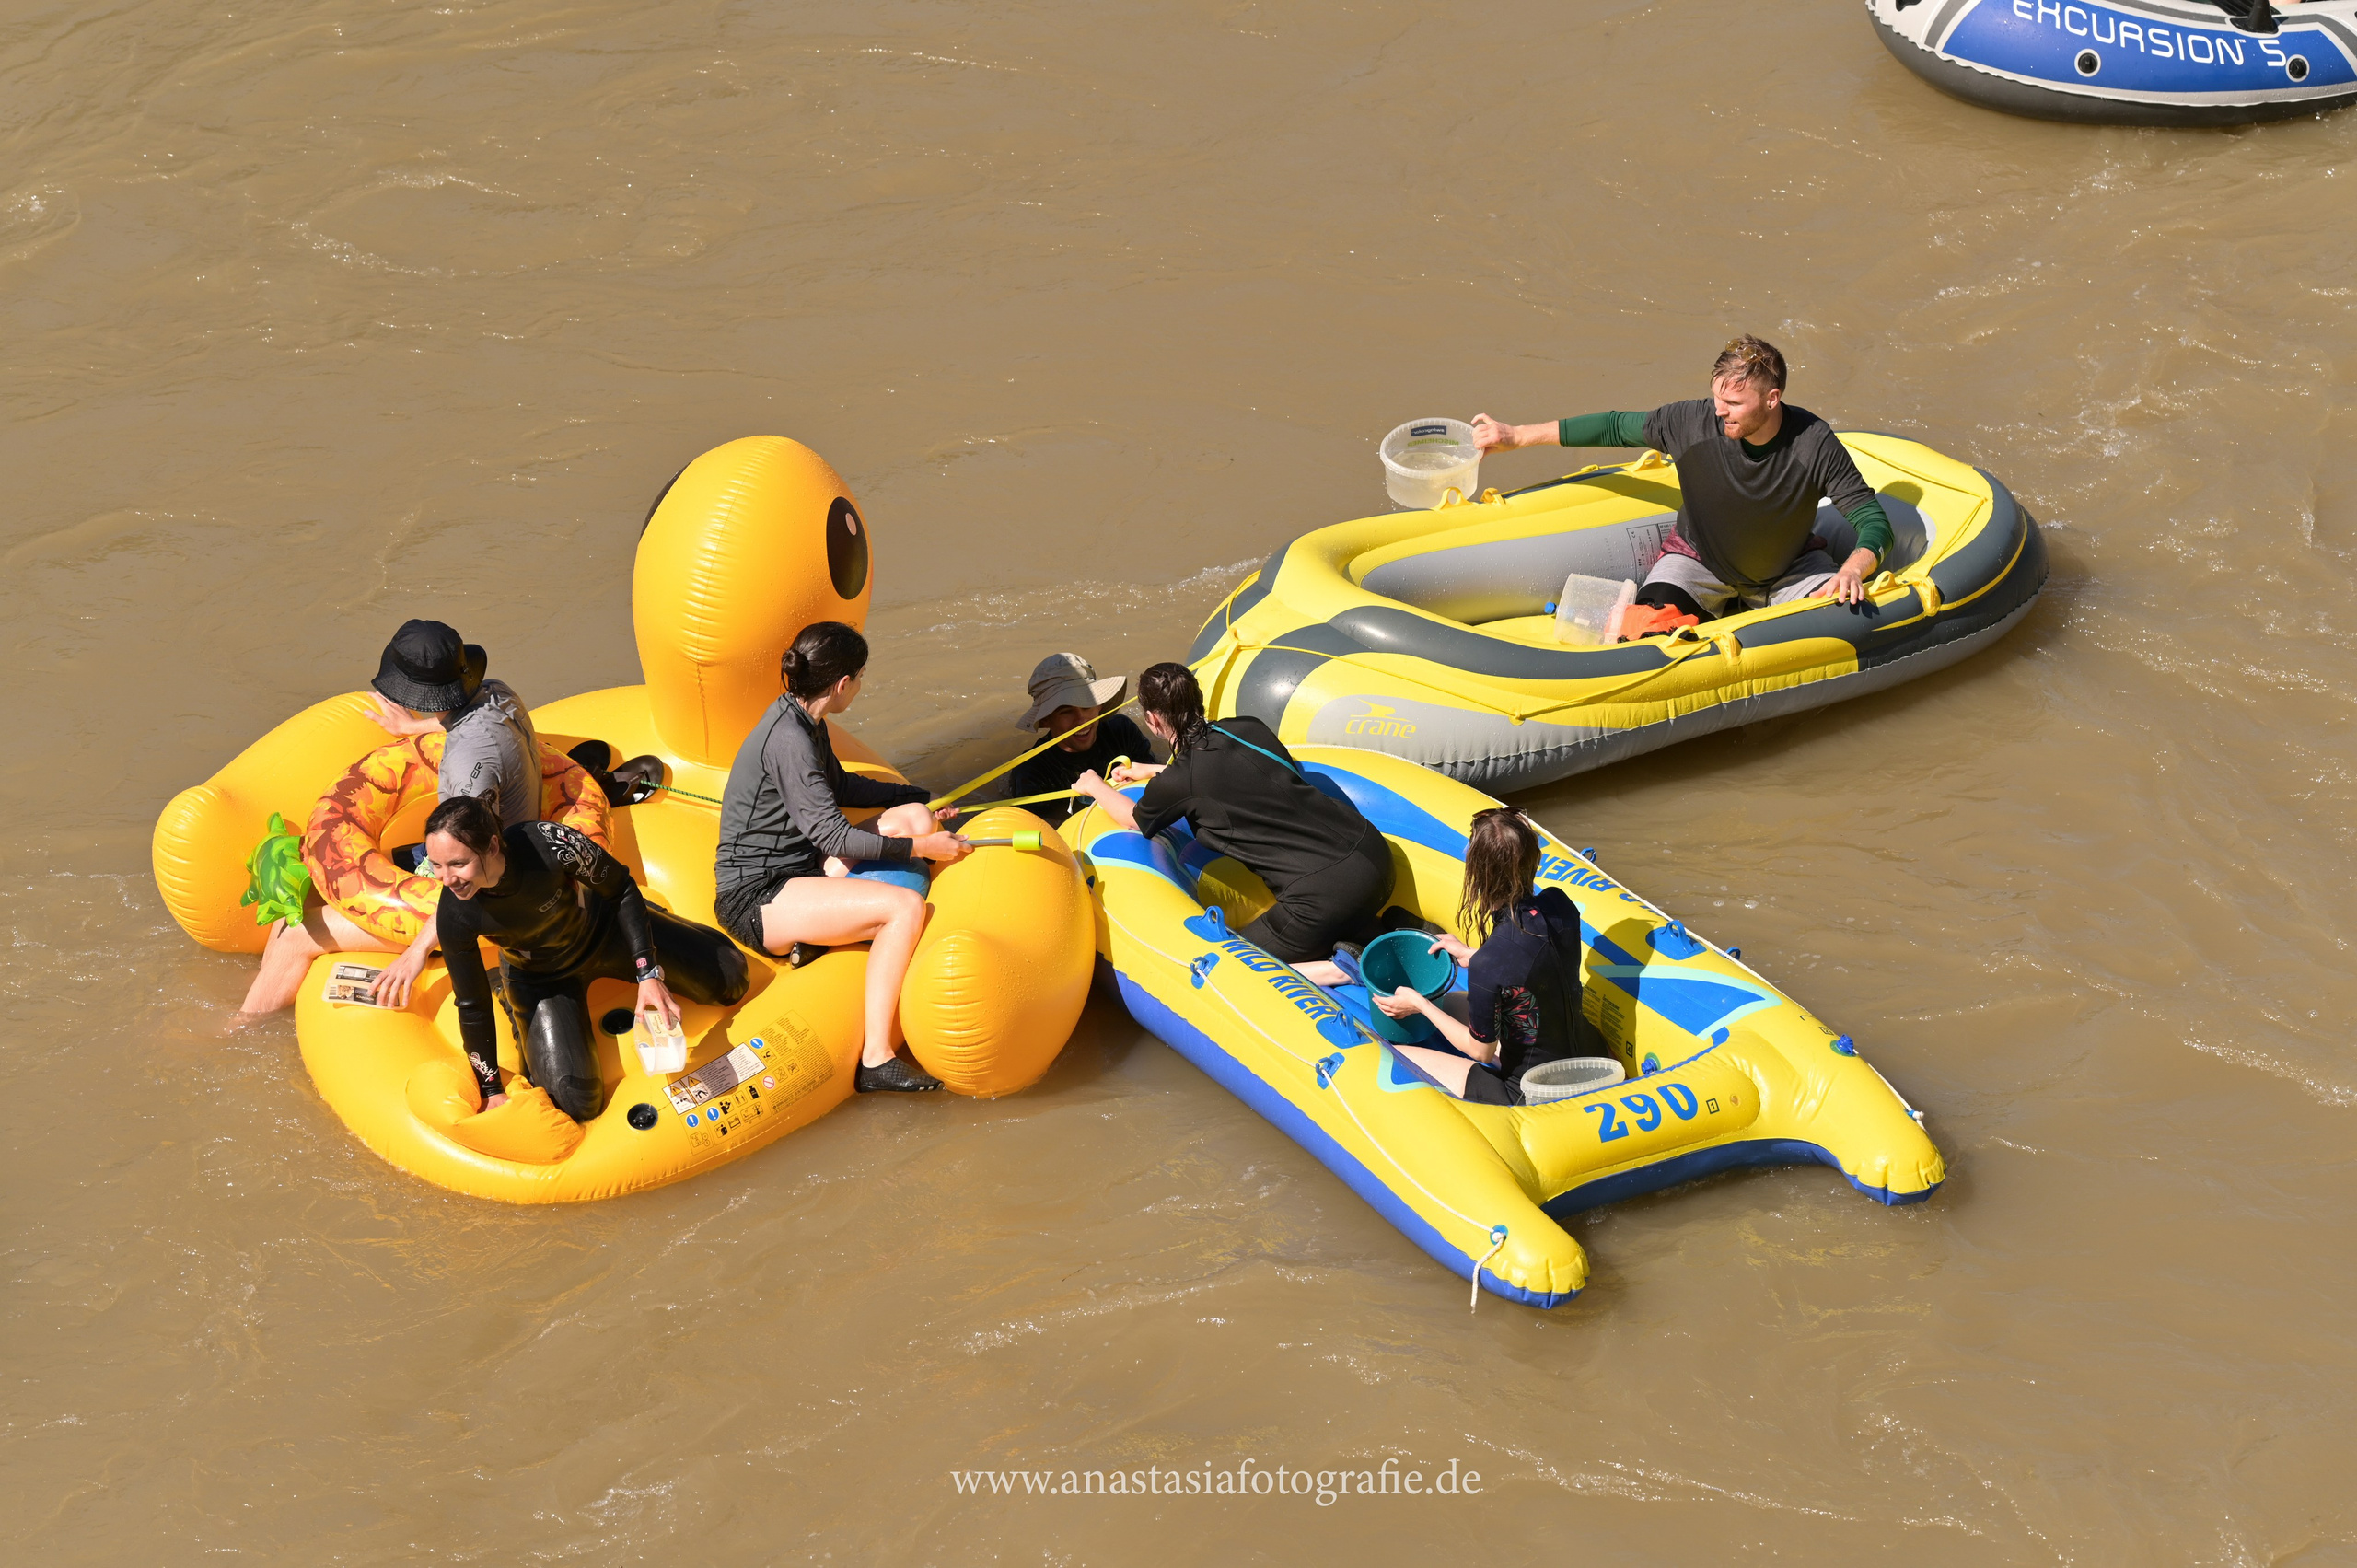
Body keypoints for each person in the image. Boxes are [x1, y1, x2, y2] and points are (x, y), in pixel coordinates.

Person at [1470, 335, 1898, 629]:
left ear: (1772, 398)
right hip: (1699, 562)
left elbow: (1873, 522)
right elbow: (1615, 427)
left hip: (1789, 570)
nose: (1719, 411)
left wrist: (1851, 570)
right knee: (1648, 626)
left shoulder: (1813, 442)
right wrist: (1517, 435)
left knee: (1842, 621)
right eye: (1716, 397)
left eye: (1733, 402)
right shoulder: (1690, 422)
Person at [712, 621, 971, 1093]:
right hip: (757, 897)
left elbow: (842, 786)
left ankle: (823, 940)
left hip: (801, 868)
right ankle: (876, 1058)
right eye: (861, 676)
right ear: (843, 684)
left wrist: (919, 795)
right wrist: (921, 849)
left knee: (912, 815)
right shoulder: (789, 739)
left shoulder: (806, 720)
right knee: (905, 908)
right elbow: (835, 837)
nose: (861, 685)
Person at [241, 621, 546, 1016]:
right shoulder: (495, 692)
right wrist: (409, 727)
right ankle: (273, 987)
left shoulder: (472, 766)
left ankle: (242, 1027)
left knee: (293, 935)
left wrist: (417, 951)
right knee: (316, 881)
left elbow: (468, 874)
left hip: (490, 895)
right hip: (491, 844)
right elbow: (464, 723)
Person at [421, 796, 749, 1121]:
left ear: (493, 847)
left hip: (605, 929)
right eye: (436, 865)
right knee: (573, 1104)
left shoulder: (549, 843)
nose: (446, 879)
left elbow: (620, 888)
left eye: (457, 864)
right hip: (542, 978)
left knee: (732, 980)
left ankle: (655, 920)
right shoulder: (454, 915)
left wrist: (648, 973)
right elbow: (472, 1004)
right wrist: (492, 1090)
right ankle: (508, 993)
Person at [1072, 662, 1390, 987]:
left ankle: (1340, 970)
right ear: (1198, 699)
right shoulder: (1247, 727)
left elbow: (1135, 818)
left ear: (1152, 719)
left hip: (1324, 899)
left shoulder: (1183, 778)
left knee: (1225, 963)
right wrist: (1156, 770)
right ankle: (1388, 929)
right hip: (1374, 855)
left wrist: (1095, 784)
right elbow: (1233, 773)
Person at [1372, 808, 1600, 1107]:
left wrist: (1419, 1004)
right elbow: (1532, 960)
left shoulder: (1490, 964)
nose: (1465, 850)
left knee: (1400, 1055)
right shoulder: (1560, 905)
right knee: (1452, 1003)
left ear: (1480, 874)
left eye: (1470, 846)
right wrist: (1472, 954)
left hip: (1532, 1093)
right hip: (1586, 1057)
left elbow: (1480, 1051)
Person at [1002, 653, 1157, 823]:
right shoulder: (1030, 773)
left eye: (1087, 705)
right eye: (1066, 711)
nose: (1082, 720)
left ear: (1100, 705)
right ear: (1046, 720)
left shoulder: (1122, 731)